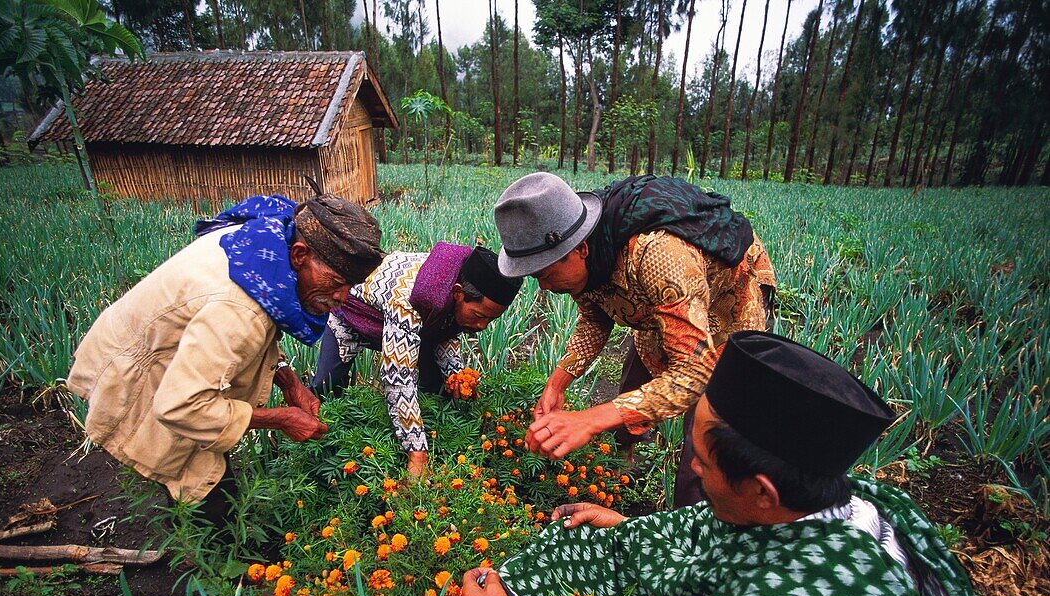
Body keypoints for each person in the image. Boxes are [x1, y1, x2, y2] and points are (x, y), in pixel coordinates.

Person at [461, 331, 994, 596]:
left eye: (704, 462)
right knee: (581, 548)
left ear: (763, 490)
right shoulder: (827, 501)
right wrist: (627, 526)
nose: (691, 466)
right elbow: (707, 531)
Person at [68, 194, 383, 523]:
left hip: (169, 352)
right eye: (335, 283)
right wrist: (281, 418)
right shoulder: (239, 312)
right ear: (300, 255)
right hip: (139, 368)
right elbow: (180, 405)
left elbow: (254, 328)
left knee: (206, 459)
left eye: (350, 286)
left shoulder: (267, 243)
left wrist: (289, 381)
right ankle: (219, 563)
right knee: (201, 488)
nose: (342, 298)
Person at [494, 172, 776, 507]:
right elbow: (595, 316)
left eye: (545, 274)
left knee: (707, 440)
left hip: (727, 310)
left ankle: (690, 525)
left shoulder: (657, 254)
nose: (543, 286)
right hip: (662, 307)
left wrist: (591, 419)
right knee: (636, 380)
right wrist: (558, 382)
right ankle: (620, 466)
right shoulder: (584, 254)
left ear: (580, 248)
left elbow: (694, 372)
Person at [311, 244, 522, 477]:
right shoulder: (409, 302)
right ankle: (320, 450)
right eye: (479, 316)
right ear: (458, 293)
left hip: (412, 325)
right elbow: (398, 379)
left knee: (436, 387)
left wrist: (457, 374)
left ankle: (434, 433)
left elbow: (444, 333)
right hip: (353, 318)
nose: (482, 327)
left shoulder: (452, 290)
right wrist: (417, 453)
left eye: (490, 320)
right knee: (326, 386)